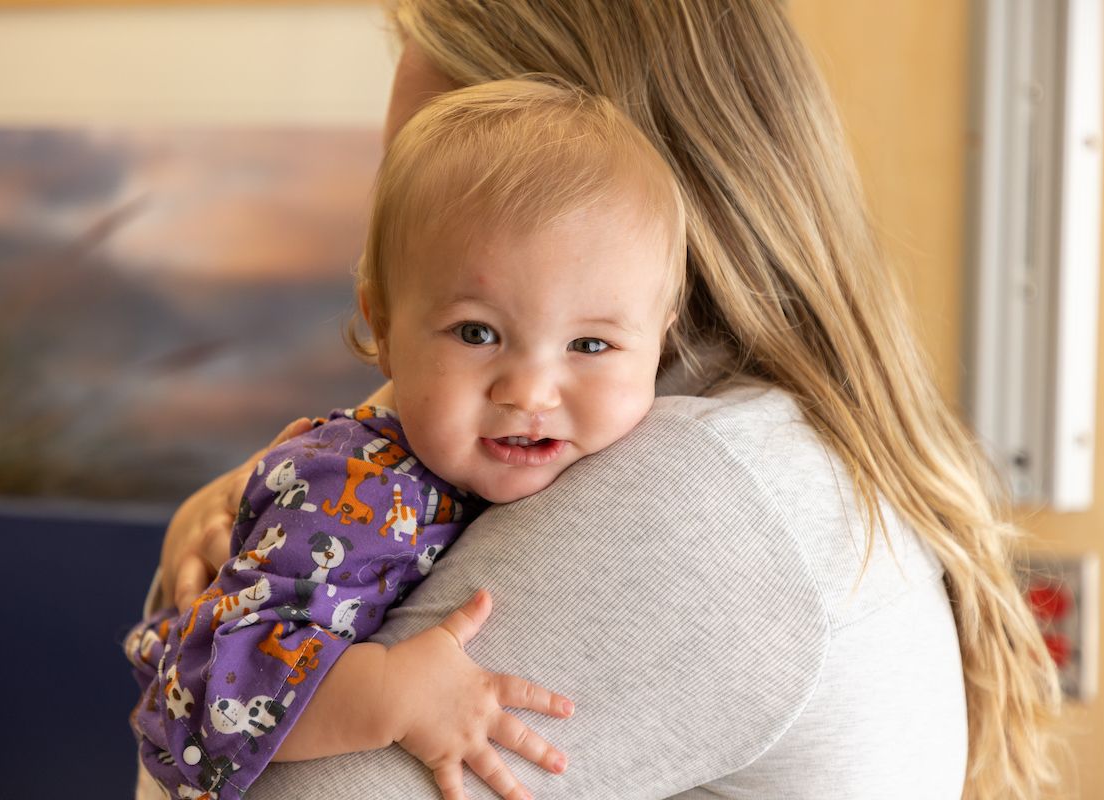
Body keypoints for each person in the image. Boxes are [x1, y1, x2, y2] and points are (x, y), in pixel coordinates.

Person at [148, 1, 1065, 798]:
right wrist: (264, 493)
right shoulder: (762, 449)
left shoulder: (702, 487)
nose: (530, 390)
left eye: (422, 176)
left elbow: (223, 765)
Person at [128, 78, 686, 800]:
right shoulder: (353, 489)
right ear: (384, 329)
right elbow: (204, 702)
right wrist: (396, 693)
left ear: (662, 346)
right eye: (478, 333)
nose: (530, 393)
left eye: (591, 343)